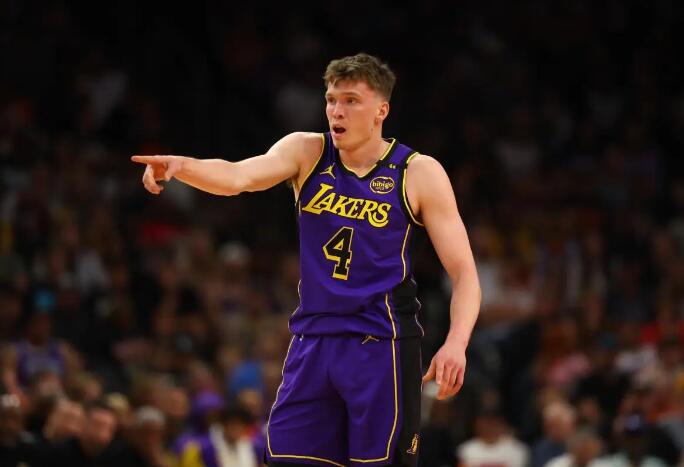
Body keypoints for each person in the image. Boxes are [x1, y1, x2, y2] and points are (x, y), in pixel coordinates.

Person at [132, 53, 481, 467]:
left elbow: (464, 273)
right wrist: (181, 166)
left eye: (351, 101)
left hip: (380, 345)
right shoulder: (307, 151)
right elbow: (239, 177)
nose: (336, 110)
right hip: (311, 341)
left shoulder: (417, 172)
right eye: (331, 99)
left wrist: (456, 343)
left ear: (381, 111)